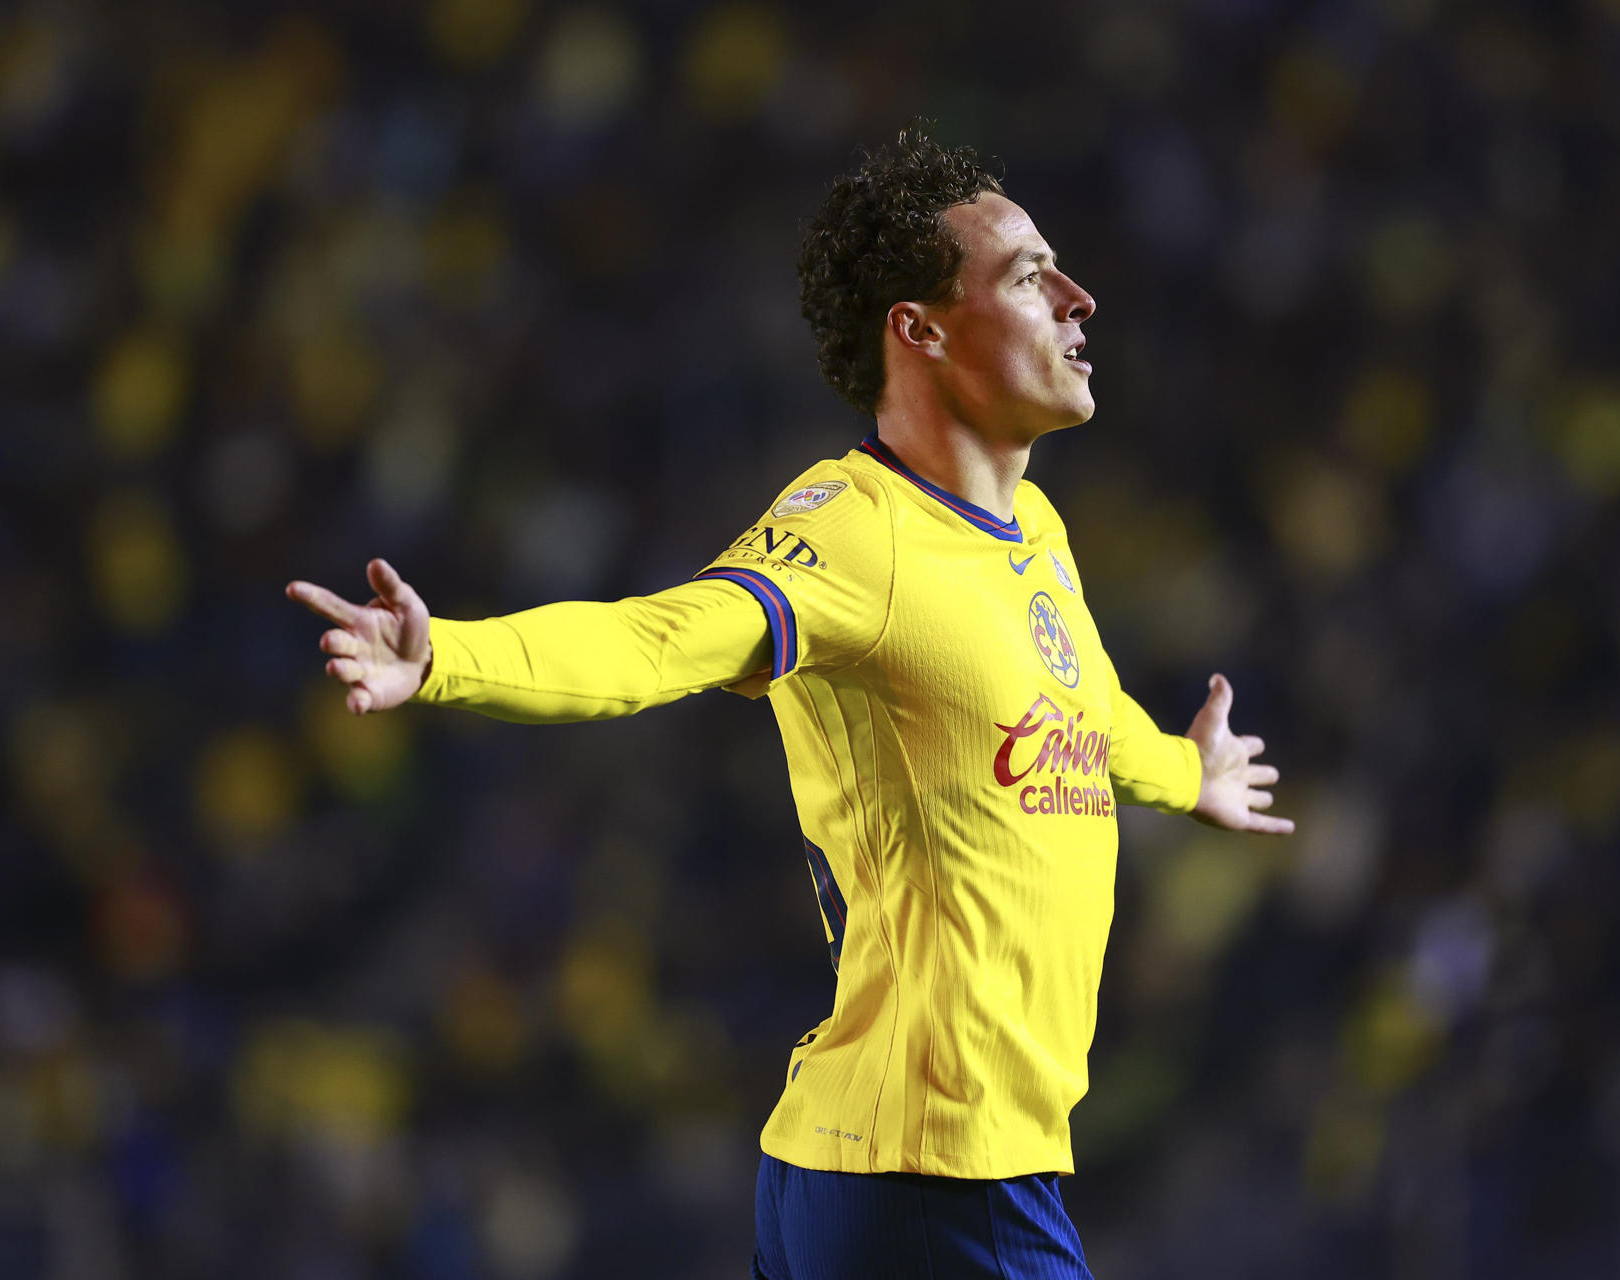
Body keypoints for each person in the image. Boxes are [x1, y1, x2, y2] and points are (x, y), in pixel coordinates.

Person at [287, 125, 1292, 1280]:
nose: (1081, 297)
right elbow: (659, 638)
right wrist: (447, 657)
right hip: (929, 1170)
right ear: (918, 328)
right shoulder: (852, 530)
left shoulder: (1039, 537)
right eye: (1028, 275)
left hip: (916, 1161)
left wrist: (1186, 773)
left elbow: (1088, 716)